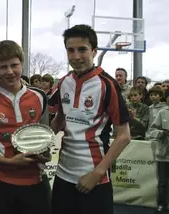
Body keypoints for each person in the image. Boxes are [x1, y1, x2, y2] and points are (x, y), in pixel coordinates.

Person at [50, 24, 131, 214]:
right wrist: (42, 143)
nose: (76, 56)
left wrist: (98, 172)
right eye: (71, 50)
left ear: (94, 51)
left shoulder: (107, 85)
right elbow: (59, 120)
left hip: (94, 177)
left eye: (82, 49)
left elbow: (124, 135)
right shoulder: (63, 82)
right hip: (62, 175)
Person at [0, 40, 51, 214]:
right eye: (3, 67)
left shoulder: (40, 96)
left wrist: (44, 154)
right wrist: (9, 162)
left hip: (36, 180)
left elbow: (45, 138)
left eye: (14, 65)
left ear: (21, 64)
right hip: (1, 182)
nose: (9, 72)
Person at [147, 90, 169, 213]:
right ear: (166, 99)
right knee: (162, 182)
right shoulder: (162, 112)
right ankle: (161, 204)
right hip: (163, 155)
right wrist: (162, 133)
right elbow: (152, 131)